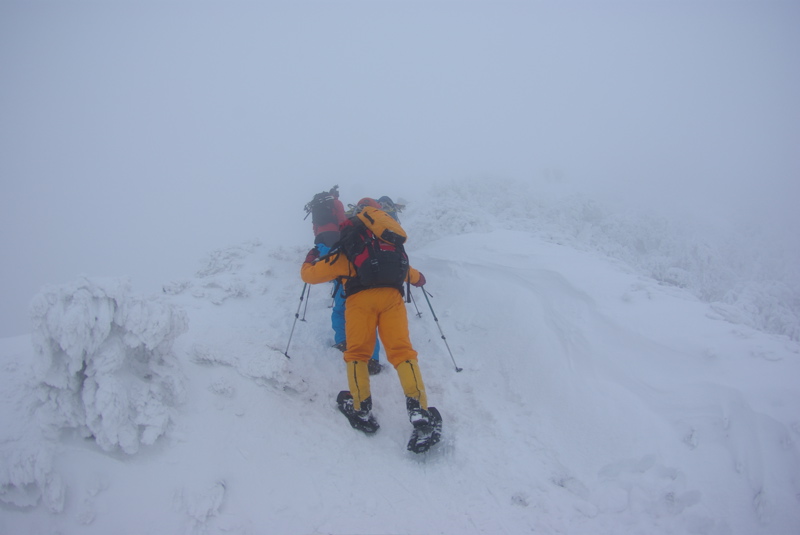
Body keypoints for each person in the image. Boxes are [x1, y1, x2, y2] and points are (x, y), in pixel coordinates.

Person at [301, 198, 441, 452]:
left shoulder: (352, 242)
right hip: (392, 299)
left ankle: (361, 408)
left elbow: (310, 276)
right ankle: (419, 412)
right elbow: (412, 274)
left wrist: (310, 259)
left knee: (357, 355)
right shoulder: (389, 241)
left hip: (359, 300)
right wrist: (419, 279)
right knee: (402, 353)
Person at [306, 190, 381, 373]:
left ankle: (342, 341)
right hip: (369, 278)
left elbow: (318, 230)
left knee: (340, 310)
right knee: (367, 320)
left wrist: (318, 251)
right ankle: (372, 359)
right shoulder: (376, 226)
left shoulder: (324, 209)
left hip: (342, 275)